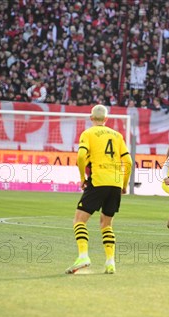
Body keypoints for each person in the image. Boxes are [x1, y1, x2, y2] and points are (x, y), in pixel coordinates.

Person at [66, 105, 132, 274]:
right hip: (115, 184)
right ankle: (110, 263)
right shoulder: (117, 135)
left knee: (79, 221)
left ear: (91, 118)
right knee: (106, 224)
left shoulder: (88, 133)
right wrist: (124, 184)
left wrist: (82, 178)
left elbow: (81, 156)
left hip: (99, 179)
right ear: (106, 119)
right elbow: (129, 162)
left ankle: (83, 256)